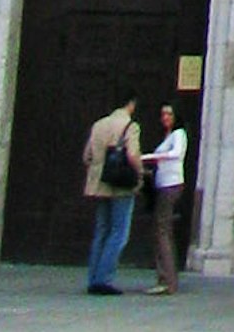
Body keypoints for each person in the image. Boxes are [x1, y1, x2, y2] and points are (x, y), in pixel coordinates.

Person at [79, 95, 144, 295]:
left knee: (102, 230)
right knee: (119, 232)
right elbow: (132, 154)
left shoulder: (99, 125)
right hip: (121, 185)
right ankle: (104, 278)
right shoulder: (130, 126)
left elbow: (87, 156)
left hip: (100, 183)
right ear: (131, 103)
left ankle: (93, 277)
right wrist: (140, 173)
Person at [146, 101, 191, 289]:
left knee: (162, 231)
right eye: (163, 114)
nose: (165, 118)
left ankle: (167, 279)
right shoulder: (169, 136)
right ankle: (165, 277)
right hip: (164, 184)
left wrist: (148, 157)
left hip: (170, 185)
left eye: (169, 114)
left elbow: (176, 153)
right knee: (162, 230)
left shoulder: (178, 134)